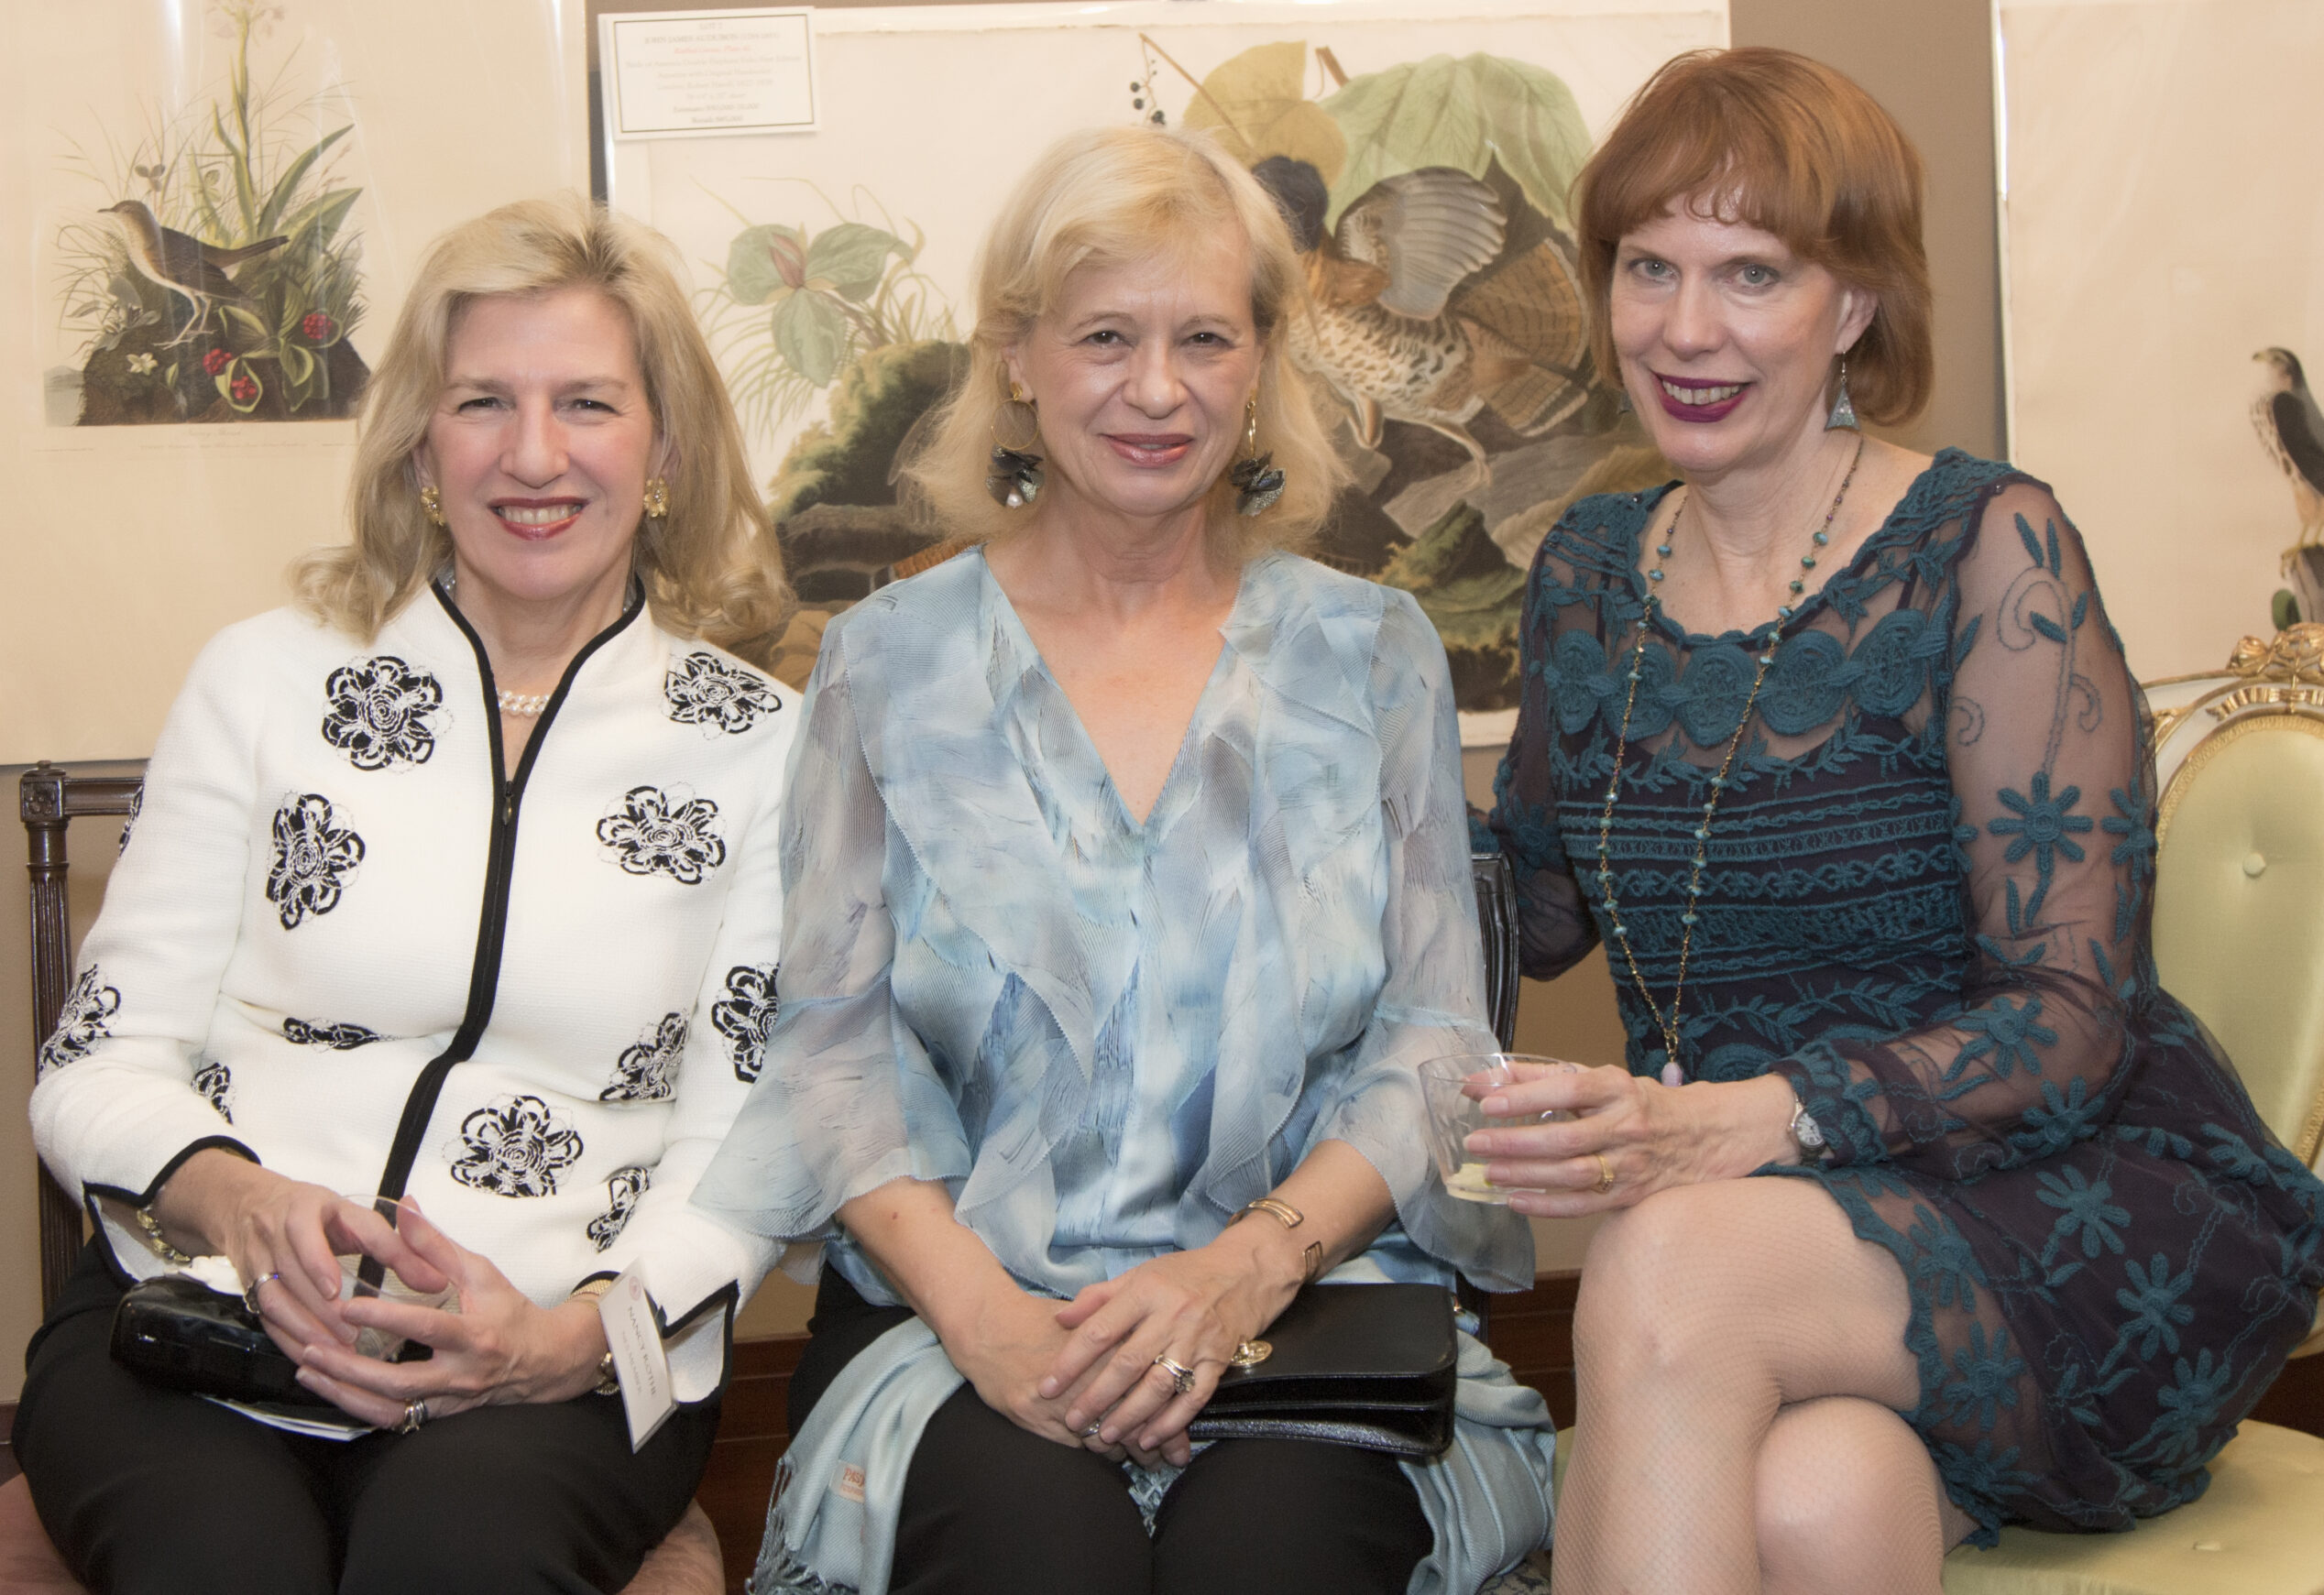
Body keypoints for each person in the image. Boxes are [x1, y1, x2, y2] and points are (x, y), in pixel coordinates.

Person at [1473, 47, 2324, 1595]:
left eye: (1751, 273)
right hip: (1777, 1246)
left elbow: (2072, 1019)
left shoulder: (1987, 546)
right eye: (1650, 267)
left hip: (2057, 1201)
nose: (1684, 327)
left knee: (1665, 1257)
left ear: (1854, 301)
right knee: (1820, 1503)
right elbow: (1527, 910)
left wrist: (1767, 1115)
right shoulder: (1588, 573)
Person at [689, 126, 1555, 1595]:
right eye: (1105, 336)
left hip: (1311, 1316)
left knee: (1265, 1564)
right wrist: (988, 1321)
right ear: (1017, 356)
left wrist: (1246, 1266)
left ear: (1262, 358)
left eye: (1204, 337)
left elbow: (1434, 1040)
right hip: (957, 1327)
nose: (1158, 389)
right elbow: (831, 1051)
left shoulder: (1374, 653)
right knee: (1043, 1559)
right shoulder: (882, 662)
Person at [18, 193, 800, 1594]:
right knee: (219, 1563)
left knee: (457, 1559)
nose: (535, 454)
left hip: (561, 1349)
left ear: (667, 449)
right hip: (202, 1313)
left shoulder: (762, 746)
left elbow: (746, 1144)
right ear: (421, 447)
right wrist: (239, 1200)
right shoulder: (262, 680)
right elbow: (95, 1061)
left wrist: (572, 1337)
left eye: (588, 403)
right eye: (483, 402)